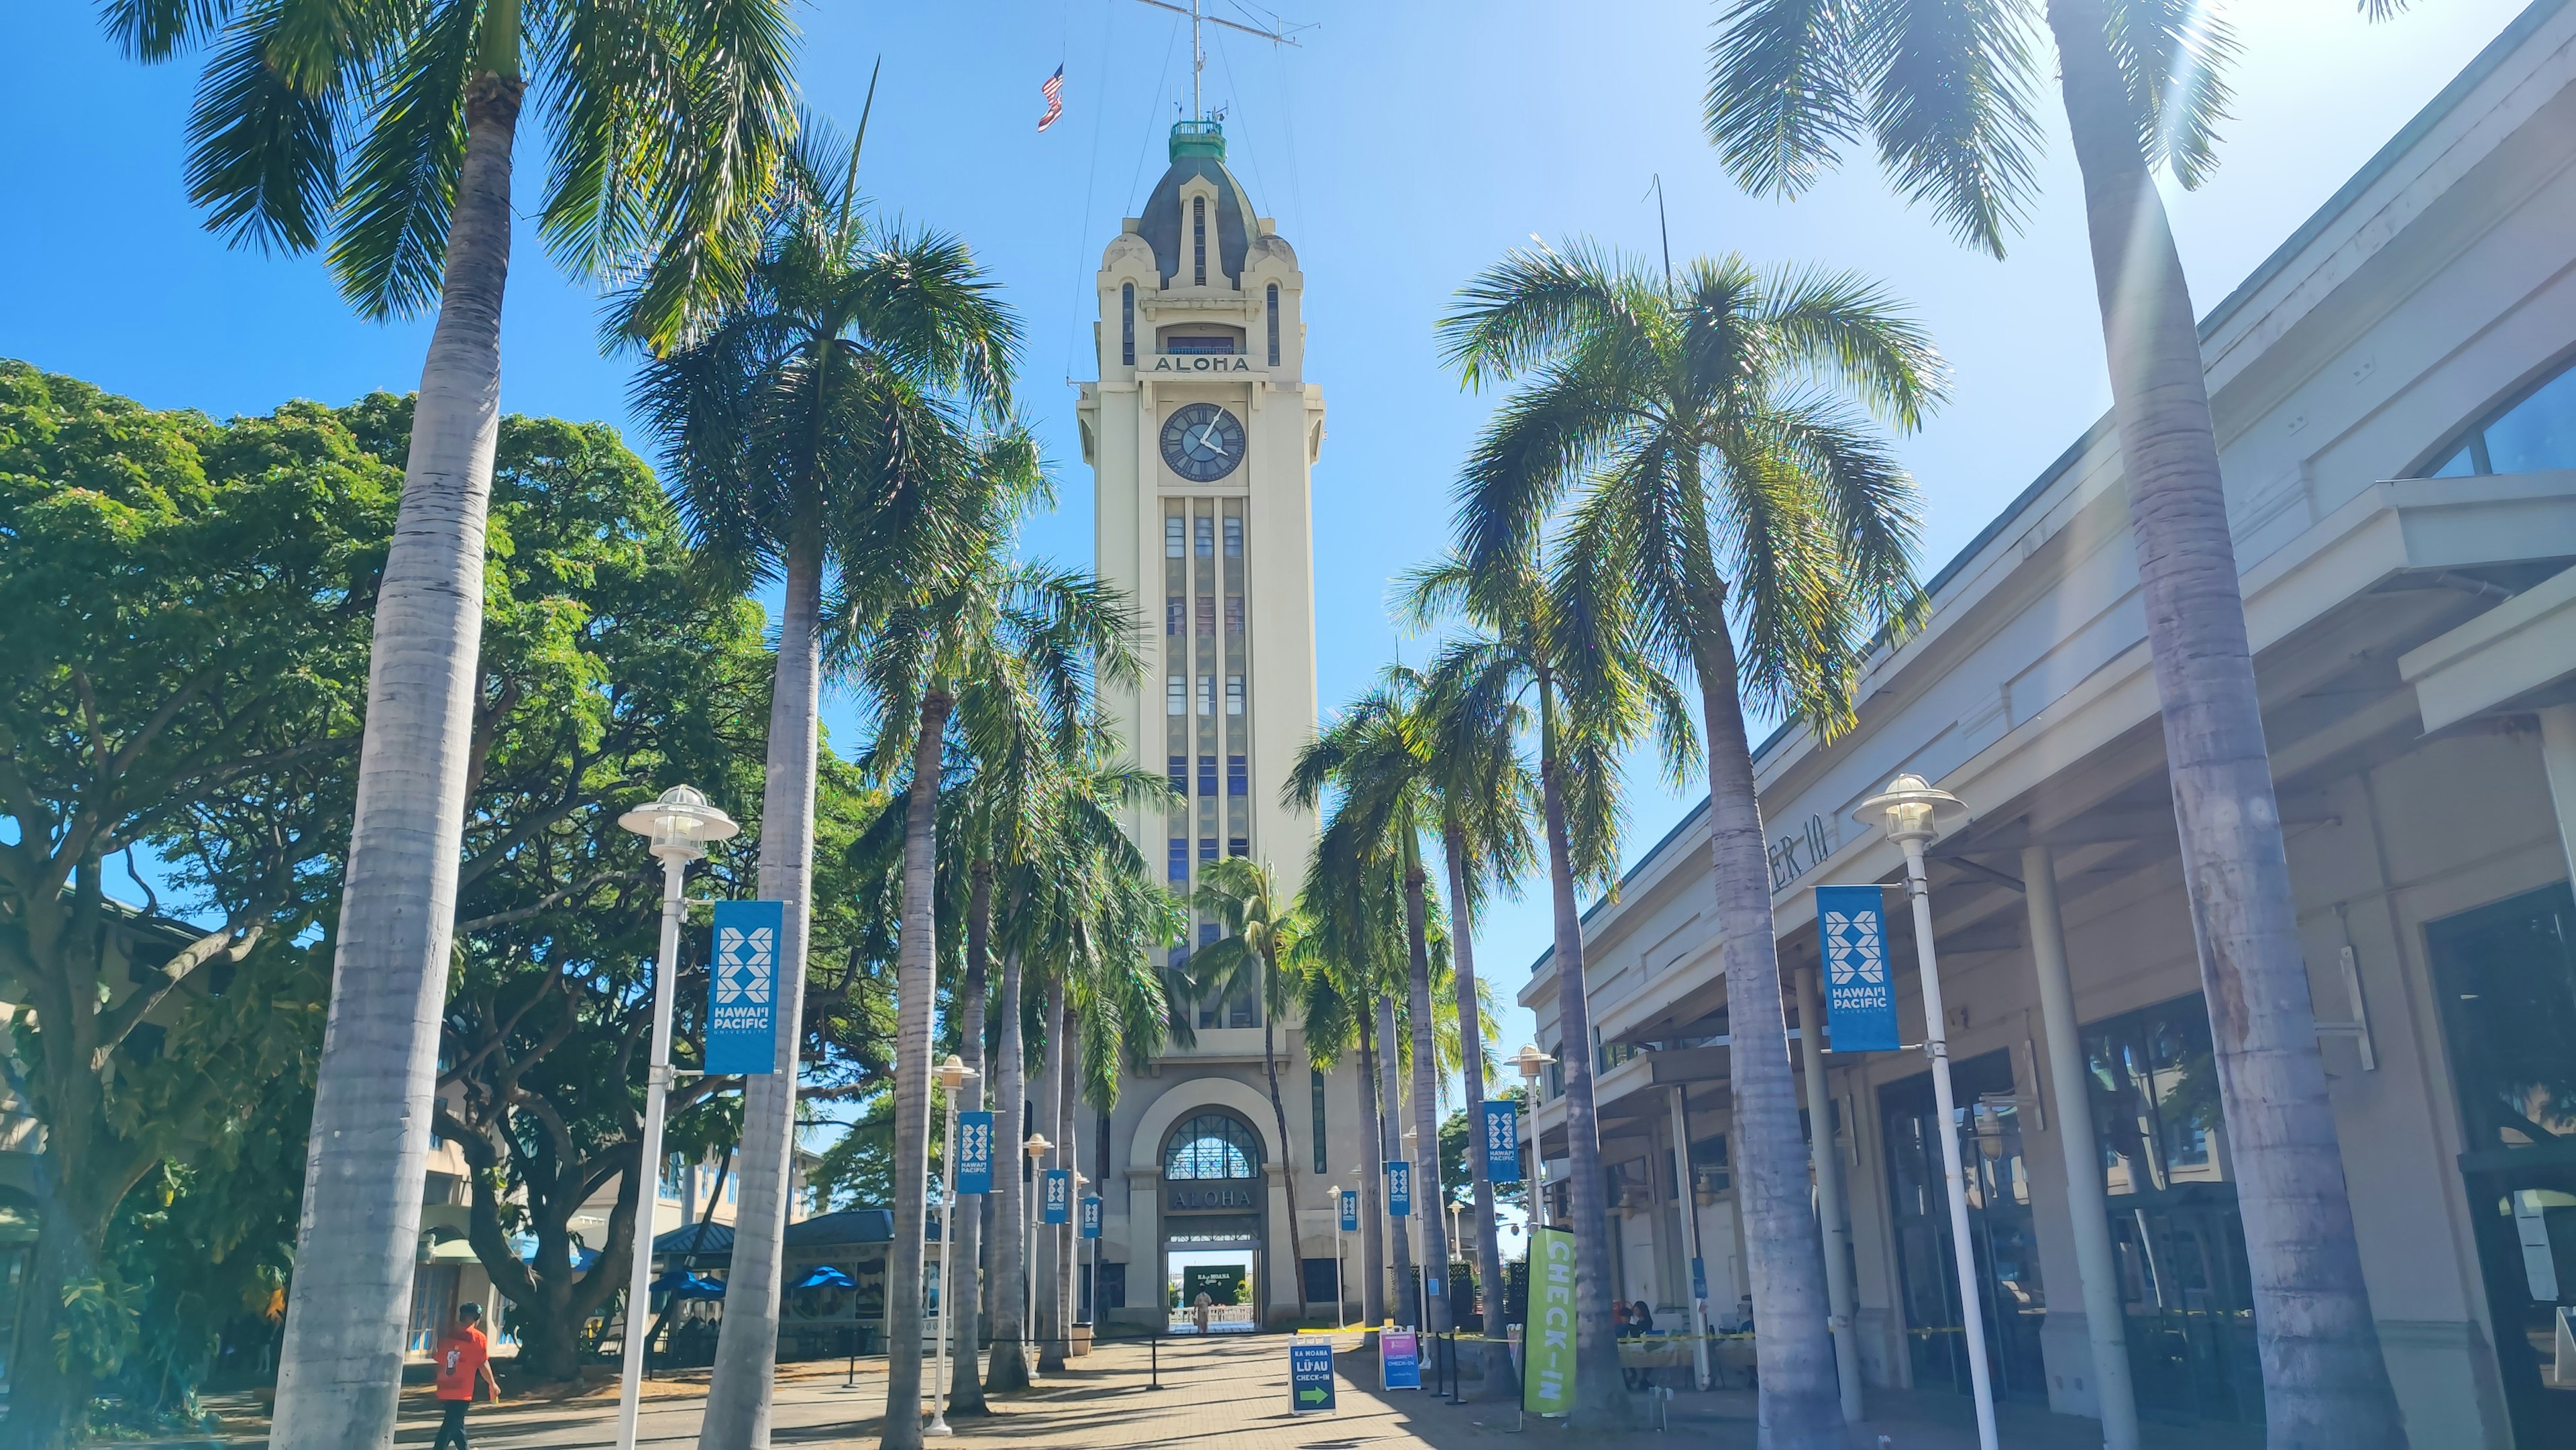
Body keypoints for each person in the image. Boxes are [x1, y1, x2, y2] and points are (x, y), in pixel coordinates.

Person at [431, 1302, 501, 1449]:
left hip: (445, 1387)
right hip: (462, 1390)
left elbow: (439, 1359)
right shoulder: (478, 1338)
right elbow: (482, 1363)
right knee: (450, 1425)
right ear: (476, 1317)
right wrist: (492, 1384)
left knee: (457, 1422)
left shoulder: (448, 1334)